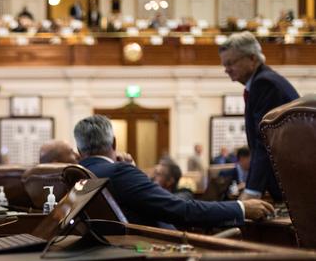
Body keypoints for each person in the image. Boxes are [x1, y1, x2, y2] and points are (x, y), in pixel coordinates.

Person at [73, 115, 273, 229]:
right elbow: (182, 210)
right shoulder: (120, 172)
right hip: (154, 254)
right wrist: (241, 208)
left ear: (79, 151)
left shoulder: (74, 175)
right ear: (115, 143)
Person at [219, 31, 299, 201]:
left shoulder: (265, 84)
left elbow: (265, 140)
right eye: (224, 65)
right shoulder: (262, 82)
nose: (226, 70)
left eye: (230, 63)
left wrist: (253, 191)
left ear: (252, 59)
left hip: (293, 182)